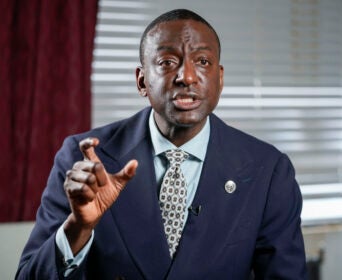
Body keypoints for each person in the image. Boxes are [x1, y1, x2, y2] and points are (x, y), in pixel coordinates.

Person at [16, 8, 307, 279]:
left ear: (219, 79)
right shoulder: (83, 159)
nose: (187, 77)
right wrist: (78, 228)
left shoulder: (267, 170)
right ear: (142, 81)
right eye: (167, 63)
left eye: (202, 62)